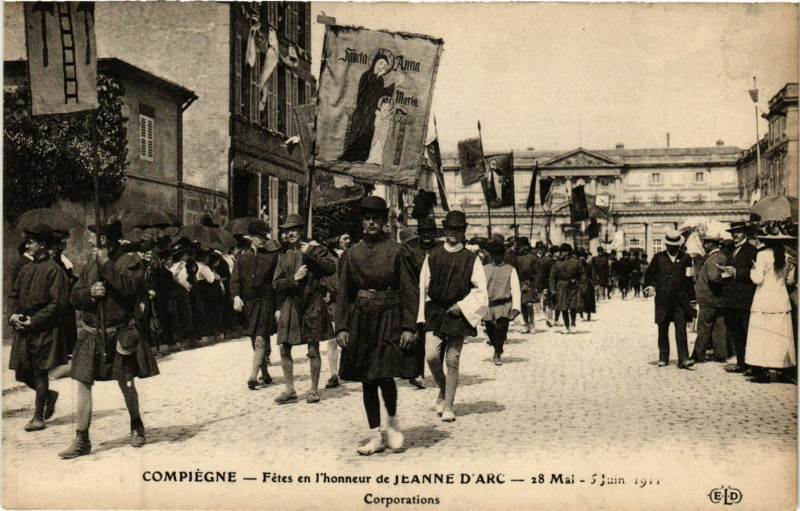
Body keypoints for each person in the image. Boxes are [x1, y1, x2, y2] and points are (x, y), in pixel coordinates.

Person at [59, 220, 159, 459]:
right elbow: (74, 298)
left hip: (119, 333)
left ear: (103, 240)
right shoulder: (89, 265)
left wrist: (105, 264)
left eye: (92, 237)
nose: (89, 241)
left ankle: (136, 424)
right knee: (83, 382)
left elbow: (128, 288)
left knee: (126, 382)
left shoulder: (130, 262)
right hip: (91, 334)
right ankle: (82, 439)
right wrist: (90, 293)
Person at [336, 197, 421, 454]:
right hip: (362, 319)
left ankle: (392, 424)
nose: (371, 223)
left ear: (384, 221)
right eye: (367, 218)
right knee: (367, 378)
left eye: (376, 218)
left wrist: (409, 326)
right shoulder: (351, 255)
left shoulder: (398, 251)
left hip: (390, 317)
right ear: (361, 222)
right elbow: (343, 294)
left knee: (385, 374)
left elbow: (410, 290)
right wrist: (342, 327)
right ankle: (375, 435)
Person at [417, 210, 488, 422]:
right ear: (444, 230)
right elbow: (423, 287)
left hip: (458, 313)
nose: (453, 233)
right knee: (431, 355)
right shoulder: (433, 255)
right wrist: (421, 315)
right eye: (450, 229)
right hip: (436, 310)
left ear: (463, 231)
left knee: (452, 359)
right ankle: (442, 387)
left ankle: (448, 404)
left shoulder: (471, 259)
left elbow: (480, 290)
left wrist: (462, 306)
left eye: (457, 230)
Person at [8, 224, 70, 432]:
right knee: (21, 373)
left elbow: (57, 304)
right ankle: (49, 396)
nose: (27, 246)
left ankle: (38, 417)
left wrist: (34, 321)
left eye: (31, 242)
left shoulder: (55, 271)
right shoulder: (25, 269)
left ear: (42, 245)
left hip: (44, 329)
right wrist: (13, 316)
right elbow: (13, 296)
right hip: (23, 329)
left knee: (39, 372)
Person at [272, 214, 336, 404]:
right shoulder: (283, 256)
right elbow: (276, 284)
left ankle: (314, 390)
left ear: (301, 231)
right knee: (284, 346)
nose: (290, 234)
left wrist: (311, 254)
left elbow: (330, 269)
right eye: (287, 231)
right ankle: (290, 389)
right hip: (291, 303)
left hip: (312, 302)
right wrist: (294, 279)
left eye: (293, 230)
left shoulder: (315, 249)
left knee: (313, 348)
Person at [741, 224, 796, 383]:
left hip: (764, 301)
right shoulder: (788, 256)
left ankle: (762, 371)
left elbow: (758, 279)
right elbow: (790, 281)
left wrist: (753, 269)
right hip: (781, 301)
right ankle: (783, 371)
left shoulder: (762, 255)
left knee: (762, 337)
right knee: (780, 338)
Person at [231, 221, 281, 390]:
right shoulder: (242, 258)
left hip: (266, 303)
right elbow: (235, 280)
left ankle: (253, 375)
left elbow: (276, 284)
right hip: (249, 305)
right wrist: (236, 297)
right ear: (251, 238)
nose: (263, 240)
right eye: (260, 237)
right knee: (255, 338)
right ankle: (265, 373)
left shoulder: (271, 257)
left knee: (260, 338)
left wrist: (278, 307)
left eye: (265, 236)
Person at [643, 229, 696, 370]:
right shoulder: (658, 257)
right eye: (671, 245)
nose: (673, 248)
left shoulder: (686, 258)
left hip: (680, 300)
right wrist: (649, 286)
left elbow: (689, 279)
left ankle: (683, 359)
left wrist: (692, 299)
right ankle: (663, 357)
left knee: (681, 329)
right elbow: (649, 274)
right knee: (662, 328)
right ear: (666, 245)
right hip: (663, 300)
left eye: (676, 246)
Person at [399, 217, 440, 389]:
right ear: (418, 232)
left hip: (434, 298)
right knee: (415, 333)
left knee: (433, 335)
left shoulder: (440, 249)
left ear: (435, 233)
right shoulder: (410, 249)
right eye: (423, 232)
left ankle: (436, 370)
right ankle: (416, 372)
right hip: (413, 294)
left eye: (430, 232)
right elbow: (406, 274)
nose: (426, 235)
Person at [717, 221, 759, 374]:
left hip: (744, 298)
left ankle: (753, 364)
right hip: (730, 299)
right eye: (733, 232)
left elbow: (755, 273)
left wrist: (736, 272)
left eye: (738, 232)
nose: (735, 235)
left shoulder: (752, 250)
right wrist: (723, 273)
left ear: (745, 233)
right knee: (735, 332)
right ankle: (741, 363)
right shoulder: (732, 251)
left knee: (747, 332)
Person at [341, 53, 396, 162]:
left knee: (369, 133)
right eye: (381, 63)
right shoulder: (366, 75)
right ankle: (350, 157)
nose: (382, 67)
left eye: (385, 66)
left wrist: (391, 88)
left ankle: (362, 158)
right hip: (362, 110)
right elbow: (365, 93)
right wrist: (377, 78)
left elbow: (380, 95)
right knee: (359, 132)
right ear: (375, 62)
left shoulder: (380, 80)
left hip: (371, 112)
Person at [482, 237, 521, 365]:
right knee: (490, 330)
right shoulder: (485, 269)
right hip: (489, 305)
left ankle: (497, 353)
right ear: (491, 256)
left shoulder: (510, 269)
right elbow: (479, 288)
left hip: (504, 304)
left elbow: (515, 289)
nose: (497, 257)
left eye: (500, 255)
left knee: (501, 329)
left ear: (503, 255)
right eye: (495, 255)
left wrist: (516, 307)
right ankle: (497, 347)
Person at [691, 233, 728, 363]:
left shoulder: (713, 258)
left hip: (709, 299)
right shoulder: (722, 256)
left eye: (705, 243)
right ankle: (720, 355)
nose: (703, 245)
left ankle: (698, 355)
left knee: (703, 327)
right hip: (719, 300)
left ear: (710, 244)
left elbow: (713, 278)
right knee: (719, 327)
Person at [549, 243, 586, 333]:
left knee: (573, 306)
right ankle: (567, 326)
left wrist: (581, 286)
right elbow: (552, 277)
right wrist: (552, 289)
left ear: (568, 252)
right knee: (563, 307)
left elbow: (583, 274)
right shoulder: (557, 263)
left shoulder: (576, 262)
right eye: (561, 251)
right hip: (561, 287)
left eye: (563, 251)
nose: (561, 253)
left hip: (573, 286)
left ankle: (573, 323)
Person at [512, 237, 538, 334]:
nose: (520, 248)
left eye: (521, 246)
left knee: (529, 304)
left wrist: (533, 281)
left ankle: (532, 323)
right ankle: (526, 323)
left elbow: (537, 272)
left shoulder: (533, 257)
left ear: (526, 246)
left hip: (530, 282)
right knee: (523, 304)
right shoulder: (516, 258)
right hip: (520, 282)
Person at [539, 246, 557, 327]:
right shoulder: (548, 263)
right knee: (550, 302)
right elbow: (543, 275)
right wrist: (544, 286)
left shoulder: (559, 261)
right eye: (557, 252)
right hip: (550, 284)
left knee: (556, 303)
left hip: (558, 284)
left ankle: (555, 319)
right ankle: (550, 319)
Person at [579, 250, 596, 321]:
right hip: (584, 283)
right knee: (583, 300)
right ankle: (582, 315)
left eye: (582, 257)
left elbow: (593, 275)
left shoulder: (588, 266)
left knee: (586, 300)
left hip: (586, 283)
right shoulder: (588, 265)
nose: (581, 259)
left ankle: (585, 315)